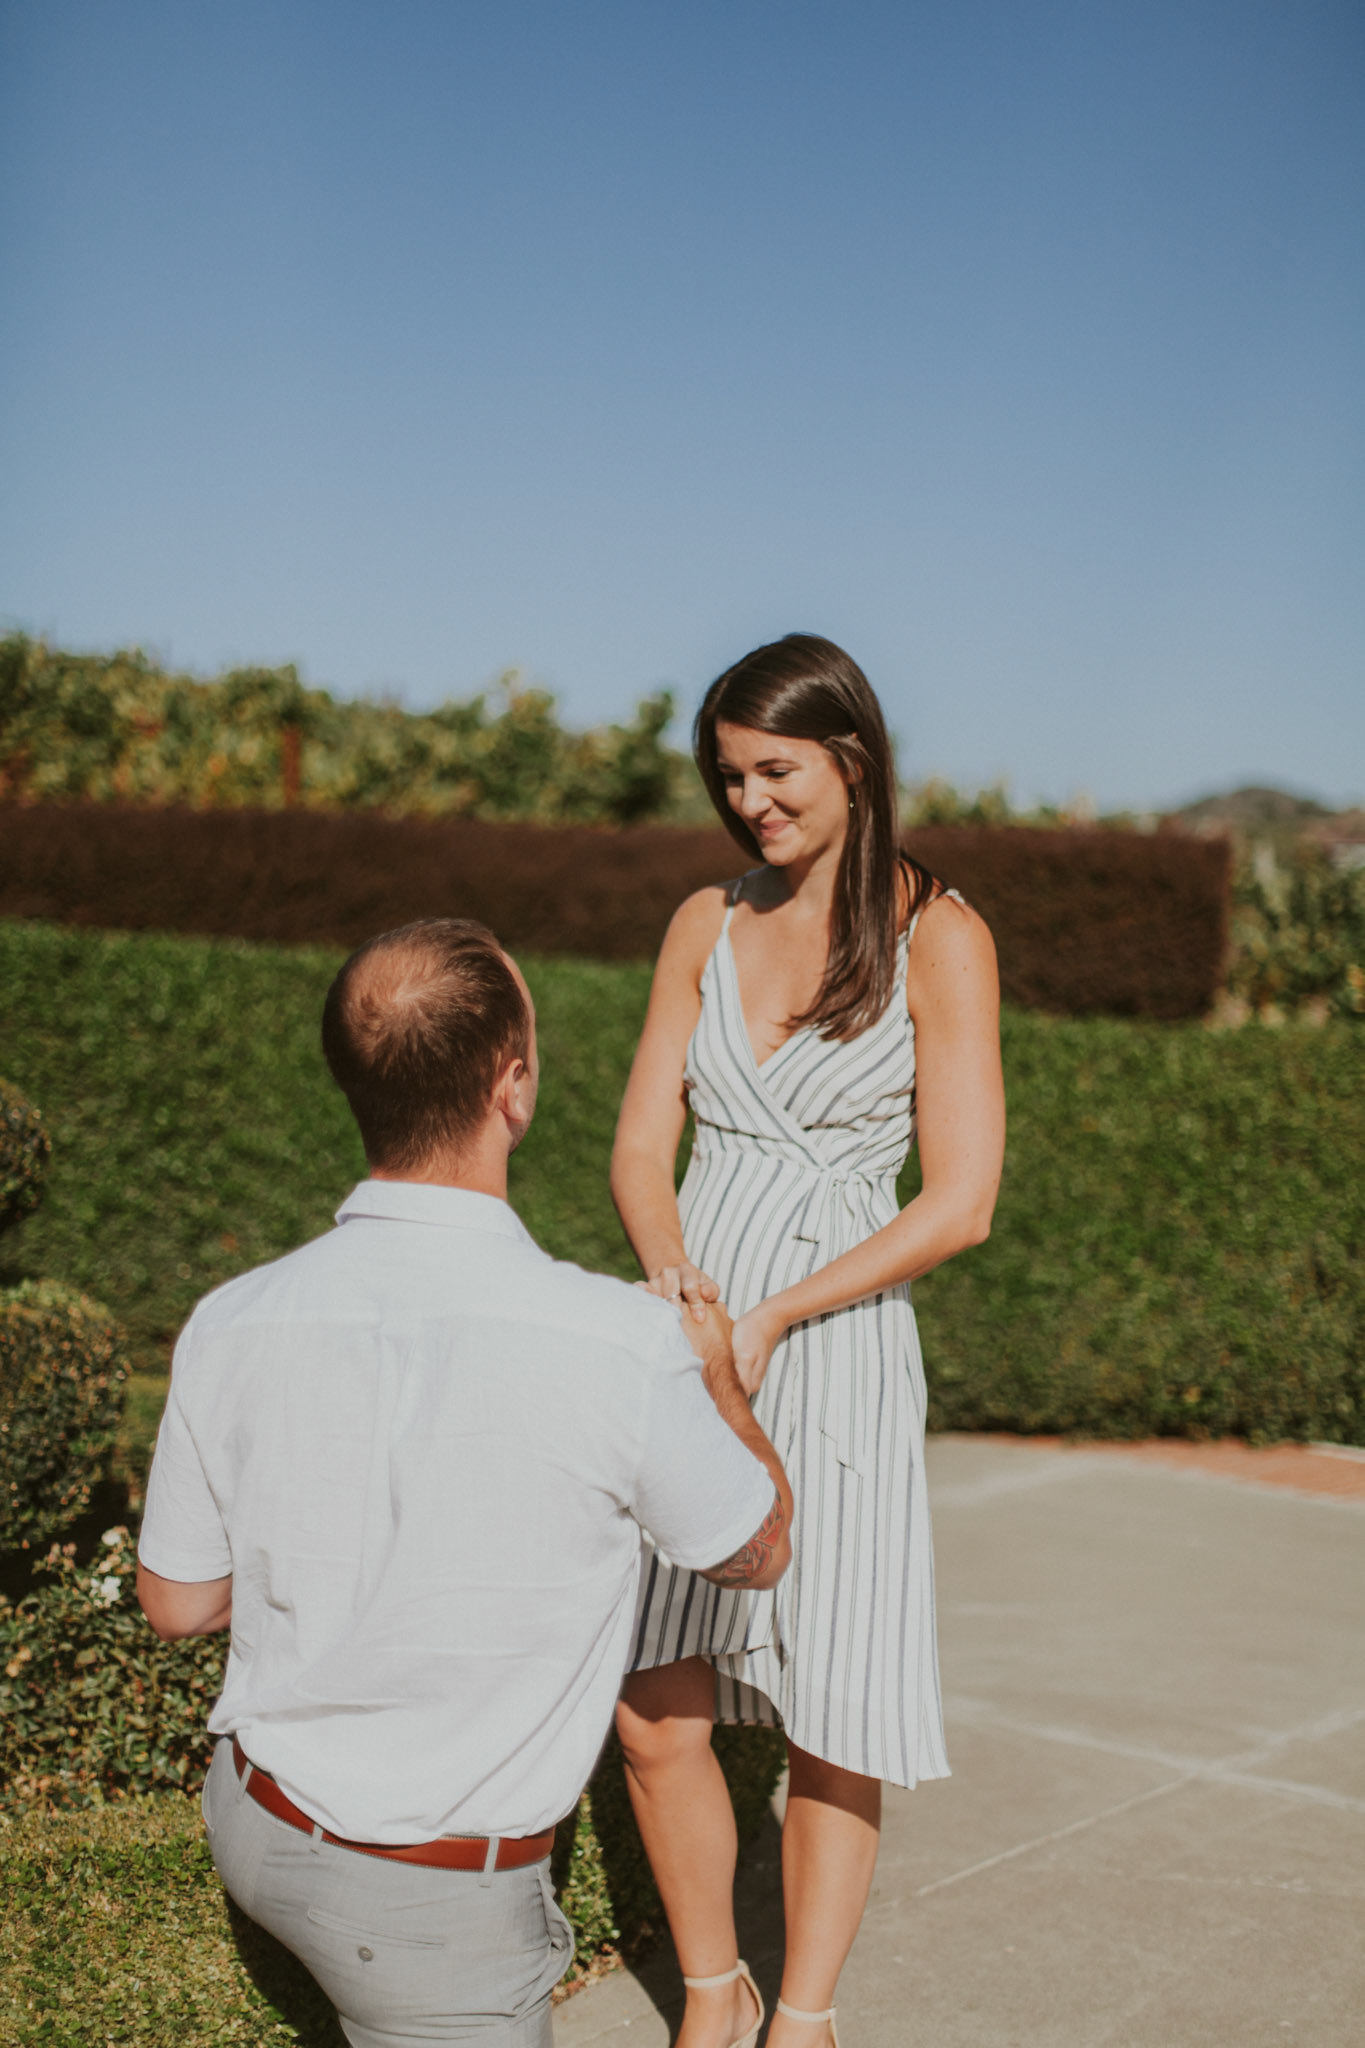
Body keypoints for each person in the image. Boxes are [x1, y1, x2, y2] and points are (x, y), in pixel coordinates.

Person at [136, 917, 793, 2048]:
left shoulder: (232, 1318)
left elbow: (177, 1602)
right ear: (513, 1087)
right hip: (432, 1910)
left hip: (255, 1819)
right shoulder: (614, 1342)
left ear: (356, 1086)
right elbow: (758, 1549)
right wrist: (724, 1381)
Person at [611, 635, 1005, 2048]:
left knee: (834, 1705)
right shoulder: (702, 921)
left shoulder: (941, 937)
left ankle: (806, 2017)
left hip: (834, 1349)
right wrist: (687, 1298)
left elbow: (961, 1201)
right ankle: (712, 1992)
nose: (750, 802)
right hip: (689, 1341)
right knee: (654, 1698)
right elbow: (641, 1146)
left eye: (774, 770)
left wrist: (775, 1313)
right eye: (729, 776)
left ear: (851, 760)